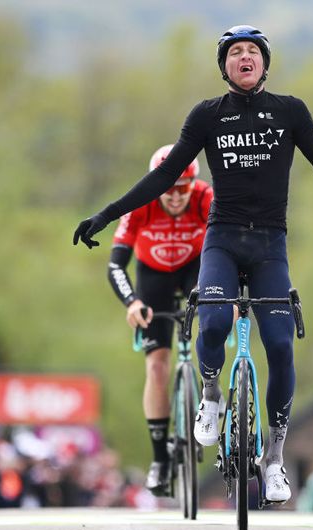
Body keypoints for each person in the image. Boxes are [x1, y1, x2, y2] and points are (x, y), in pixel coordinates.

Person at [74, 25, 313, 503]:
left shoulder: (290, 112)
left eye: (252, 51)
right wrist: (107, 215)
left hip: (270, 245)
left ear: (264, 64)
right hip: (222, 241)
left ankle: (273, 458)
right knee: (210, 322)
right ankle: (210, 394)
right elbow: (165, 174)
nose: (243, 58)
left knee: (280, 345)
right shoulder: (207, 116)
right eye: (234, 53)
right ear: (224, 67)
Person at [105, 144, 213, 496]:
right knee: (157, 367)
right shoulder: (142, 203)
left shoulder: (205, 198)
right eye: (169, 187)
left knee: (213, 316)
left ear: (194, 185)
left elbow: (228, 247)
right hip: (153, 275)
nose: (177, 196)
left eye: (184, 187)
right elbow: (115, 264)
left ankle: (211, 390)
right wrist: (132, 302)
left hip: (194, 269)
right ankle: (160, 460)